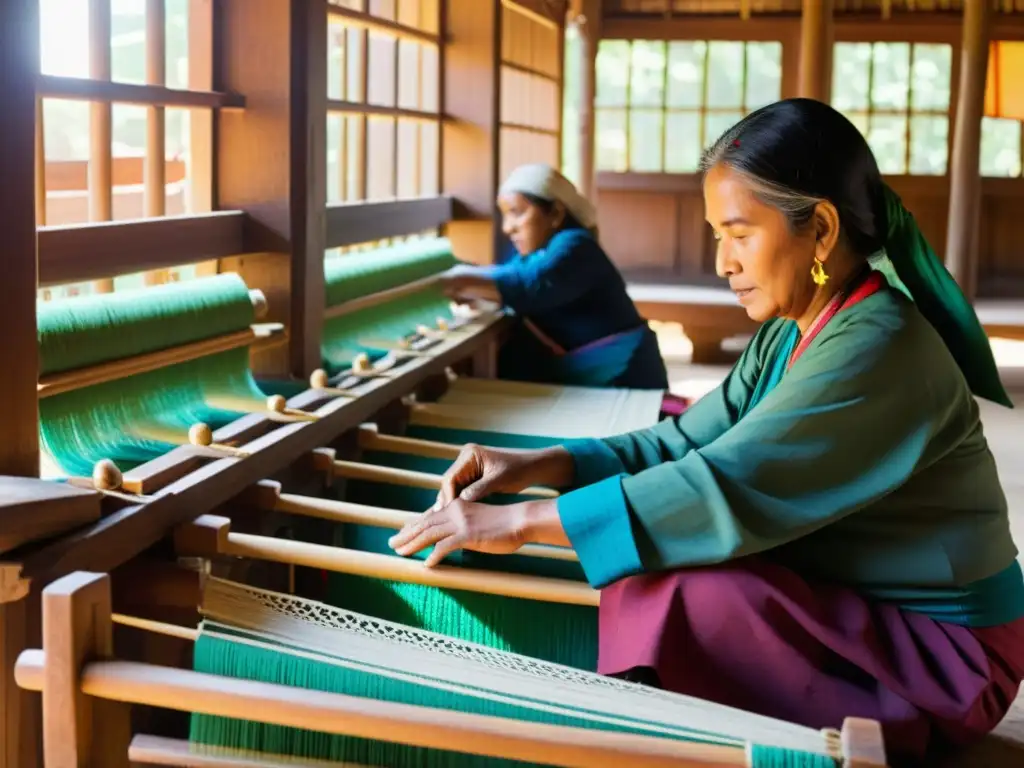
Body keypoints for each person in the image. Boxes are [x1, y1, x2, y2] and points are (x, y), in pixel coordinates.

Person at [389, 99, 1024, 766]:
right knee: (660, 554)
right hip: (875, 609)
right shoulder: (793, 328)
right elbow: (684, 442)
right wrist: (540, 464)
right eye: (718, 235)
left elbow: (723, 485)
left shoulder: (880, 345)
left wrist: (520, 522)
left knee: (683, 585)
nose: (723, 262)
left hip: (949, 657)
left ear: (823, 228)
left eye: (740, 234)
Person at [439, 163, 669, 392]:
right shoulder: (537, 252)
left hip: (628, 378)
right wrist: (472, 287)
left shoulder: (575, 245)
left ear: (556, 213)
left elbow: (529, 284)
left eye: (517, 213)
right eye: (505, 217)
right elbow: (510, 276)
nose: (508, 228)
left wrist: (454, 281)